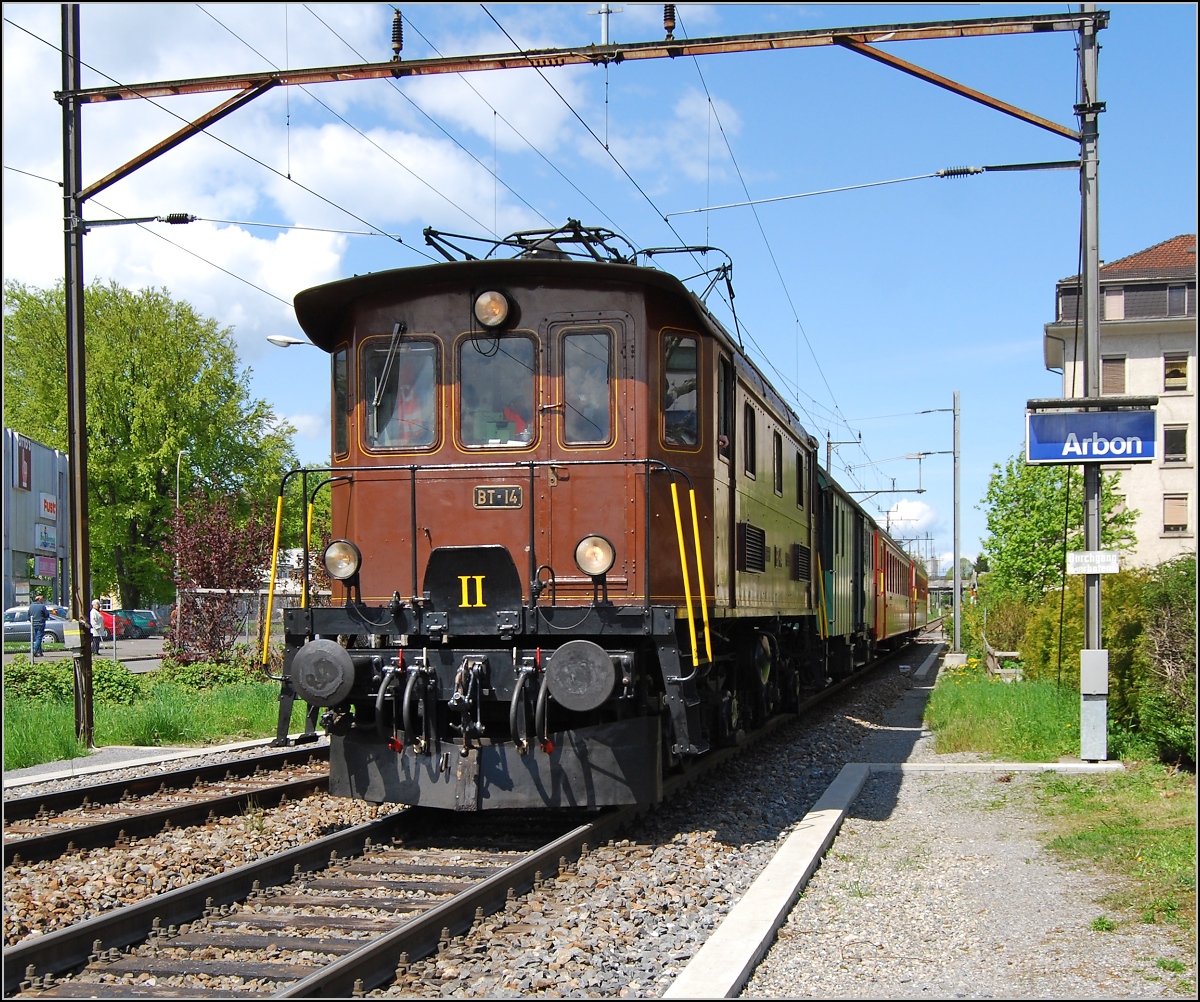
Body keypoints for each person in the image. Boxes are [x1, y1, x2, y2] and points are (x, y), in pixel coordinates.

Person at [29, 593, 49, 658]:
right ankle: (34, 650)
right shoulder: (42, 606)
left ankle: (39, 652)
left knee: (37, 637)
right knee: (39, 637)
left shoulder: (31, 606)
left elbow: (28, 615)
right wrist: (44, 618)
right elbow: (47, 614)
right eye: (42, 599)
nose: (43, 600)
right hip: (40, 623)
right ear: (39, 599)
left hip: (33, 623)